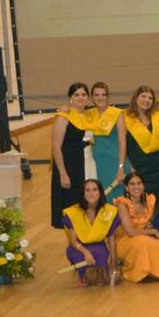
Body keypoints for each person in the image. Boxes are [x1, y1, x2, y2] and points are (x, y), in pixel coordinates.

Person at [112, 173, 159, 282]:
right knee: (143, 242)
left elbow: (150, 223)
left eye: (139, 183)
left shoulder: (149, 201)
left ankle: (153, 273)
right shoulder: (122, 203)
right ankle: (133, 273)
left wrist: (151, 229)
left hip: (143, 237)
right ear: (126, 187)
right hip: (124, 241)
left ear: (143, 186)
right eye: (132, 184)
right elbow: (130, 232)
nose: (136, 187)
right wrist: (152, 231)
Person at [51, 83, 94, 228]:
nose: (80, 98)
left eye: (83, 94)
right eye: (76, 95)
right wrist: (63, 173)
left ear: (88, 98)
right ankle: (75, 244)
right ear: (70, 98)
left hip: (87, 164)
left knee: (87, 202)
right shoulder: (63, 117)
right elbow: (56, 148)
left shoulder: (89, 116)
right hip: (70, 166)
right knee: (72, 206)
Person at [61, 179, 118, 287]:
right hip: (78, 247)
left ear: (100, 192)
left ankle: (100, 274)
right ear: (83, 193)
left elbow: (111, 239)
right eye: (87, 190)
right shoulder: (73, 212)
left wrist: (113, 265)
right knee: (79, 255)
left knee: (100, 252)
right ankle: (82, 276)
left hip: (98, 245)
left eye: (94, 190)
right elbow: (73, 241)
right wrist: (86, 252)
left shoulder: (109, 211)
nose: (91, 193)